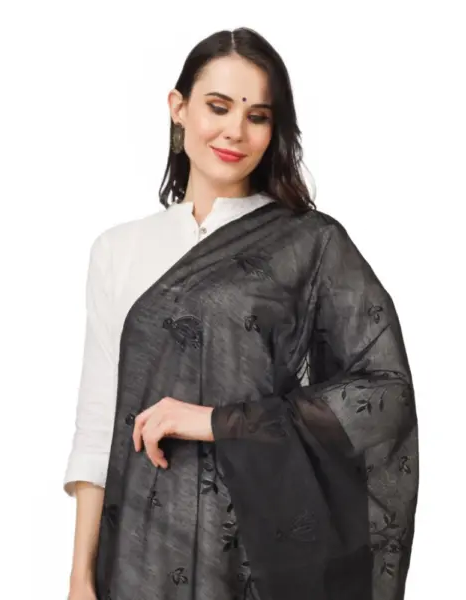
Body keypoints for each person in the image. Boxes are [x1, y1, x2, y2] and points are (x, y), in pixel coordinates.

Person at [65, 27, 419, 600]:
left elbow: (384, 392)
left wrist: (217, 422)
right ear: (178, 107)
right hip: (136, 552)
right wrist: (81, 575)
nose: (235, 130)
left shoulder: (310, 244)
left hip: (256, 553)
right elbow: (98, 419)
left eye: (257, 116)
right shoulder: (118, 250)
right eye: (218, 106)